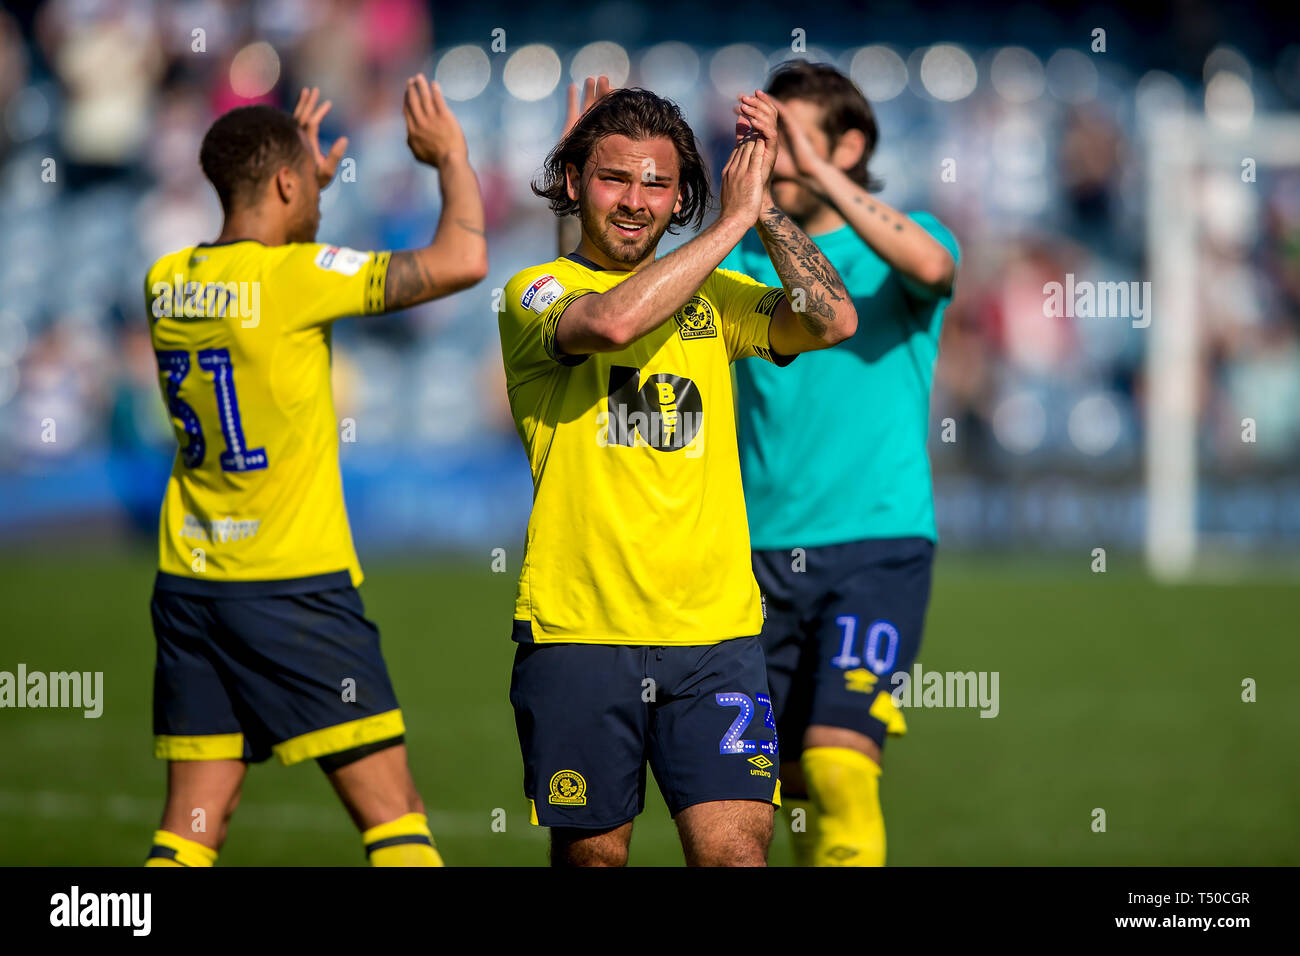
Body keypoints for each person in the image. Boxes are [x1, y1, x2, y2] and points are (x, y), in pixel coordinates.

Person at [499, 84, 856, 866]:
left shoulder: (715, 298)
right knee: (596, 858)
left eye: (657, 183)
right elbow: (616, 321)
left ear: (681, 195)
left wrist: (760, 209)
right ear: (572, 184)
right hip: (581, 631)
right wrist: (728, 222)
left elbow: (833, 318)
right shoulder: (535, 292)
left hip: (715, 636)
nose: (636, 201)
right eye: (613, 178)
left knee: (736, 855)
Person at [142, 77, 486, 867]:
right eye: (307, 183)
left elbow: (248, 271)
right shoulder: (296, 279)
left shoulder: (166, 281)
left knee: (193, 825)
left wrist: (295, 190)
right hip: (292, 586)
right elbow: (464, 258)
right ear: (287, 182)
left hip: (190, 583)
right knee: (393, 816)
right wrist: (452, 158)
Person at [720, 60, 960, 866]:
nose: (774, 154)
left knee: (838, 760)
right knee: (778, 785)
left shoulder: (902, 243)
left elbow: (936, 270)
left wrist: (817, 172)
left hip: (876, 544)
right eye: (763, 135)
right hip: (754, 555)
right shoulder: (746, 262)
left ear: (848, 145)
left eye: (789, 137)